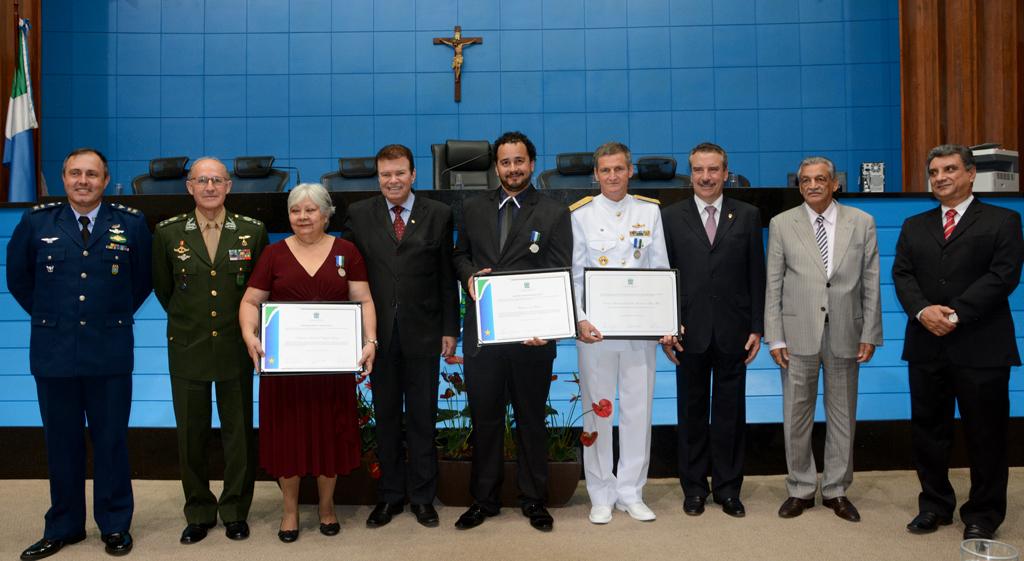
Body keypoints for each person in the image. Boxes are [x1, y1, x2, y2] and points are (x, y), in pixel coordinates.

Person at [8, 148, 152, 559]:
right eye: (75, 173)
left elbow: (139, 283)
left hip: (109, 351)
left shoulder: (131, 223)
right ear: (64, 178)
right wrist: (55, 316)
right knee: (61, 442)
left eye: (92, 174)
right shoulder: (36, 223)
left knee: (111, 441)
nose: (83, 181)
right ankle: (64, 525)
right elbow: (20, 280)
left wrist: (106, 316)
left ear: (106, 180)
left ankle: (114, 524)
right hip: (54, 353)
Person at [892, 144, 1024, 540]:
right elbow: (902, 275)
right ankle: (934, 506)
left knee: (986, 434)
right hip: (926, 344)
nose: (940, 178)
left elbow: (1003, 277)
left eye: (949, 169)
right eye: (933, 172)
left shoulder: (1003, 221)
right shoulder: (914, 225)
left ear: (970, 174)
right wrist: (922, 312)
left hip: (981, 344)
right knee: (929, 432)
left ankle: (983, 514)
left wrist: (954, 314)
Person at [238, 183, 377, 543]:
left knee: (329, 435)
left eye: (311, 210)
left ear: (326, 214)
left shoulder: (346, 251)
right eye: (296, 210)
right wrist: (250, 335)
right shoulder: (273, 254)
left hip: (331, 371)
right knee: (287, 438)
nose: (303, 217)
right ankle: (289, 512)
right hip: (285, 373)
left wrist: (370, 341)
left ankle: (327, 508)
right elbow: (251, 301)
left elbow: (363, 300)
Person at [451, 131, 572, 532]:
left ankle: (534, 499)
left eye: (519, 161)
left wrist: (549, 328)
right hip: (484, 334)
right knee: (484, 420)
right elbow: (460, 255)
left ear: (532, 164)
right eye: (505, 162)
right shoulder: (472, 207)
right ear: (496, 166)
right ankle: (483, 500)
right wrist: (469, 276)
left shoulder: (554, 211)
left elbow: (560, 271)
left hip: (531, 338)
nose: (513, 168)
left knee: (531, 419)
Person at [152, 157, 268, 545]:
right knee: (191, 433)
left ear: (229, 186)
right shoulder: (168, 233)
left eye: (217, 180)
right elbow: (164, 290)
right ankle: (199, 510)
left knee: (239, 433)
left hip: (236, 346)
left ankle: (235, 510)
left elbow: (258, 291)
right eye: (201, 180)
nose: (209, 187)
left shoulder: (252, 231)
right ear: (189, 187)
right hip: (188, 346)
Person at [343, 144, 458, 528]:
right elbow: (348, 278)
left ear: (413, 175)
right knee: (386, 417)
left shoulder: (439, 214)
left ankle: (424, 497)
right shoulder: (359, 215)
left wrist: (449, 329)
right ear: (378, 177)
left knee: (424, 418)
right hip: (377, 338)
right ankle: (390, 496)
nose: (392, 181)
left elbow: (445, 277)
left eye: (399, 173)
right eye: (385, 174)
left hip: (424, 333)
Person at [764, 156, 882, 523]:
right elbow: (774, 283)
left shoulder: (862, 223)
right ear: (798, 186)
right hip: (797, 334)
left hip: (847, 329)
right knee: (795, 416)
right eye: (805, 181)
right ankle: (799, 487)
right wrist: (774, 336)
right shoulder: (782, 223)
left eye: (820, 179)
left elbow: (871, 280)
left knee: (843, 415)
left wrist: (871, 332)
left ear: (834, 184)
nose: (812, 185)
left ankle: (835, 489)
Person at [661, 142, 765, 518]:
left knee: (730, 414)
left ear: (726, 173)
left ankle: (728, 489)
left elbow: (757, 273)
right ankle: (693, 489)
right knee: (689, 413)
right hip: (688, 331)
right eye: (699, 170)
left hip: (734, 331)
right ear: (690, 174)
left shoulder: (748, 215)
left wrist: (758, 325)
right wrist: (668, 326)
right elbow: (665, 276)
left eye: (714, 170)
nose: (706, 177)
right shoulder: (670, 217)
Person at [570, 141, 670, 524]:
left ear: (630, 171)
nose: (612, 176)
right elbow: (577, 274)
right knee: (598, 412)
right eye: (605, 170)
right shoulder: (581, 215)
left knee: (636, 411)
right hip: (596, 332)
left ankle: (631, 490)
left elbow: (660, 268)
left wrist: (662, 320)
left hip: (639, 331)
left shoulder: (649, 212)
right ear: (595, 175)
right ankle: (600, 491)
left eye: (619, 169)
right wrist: (580, 320)